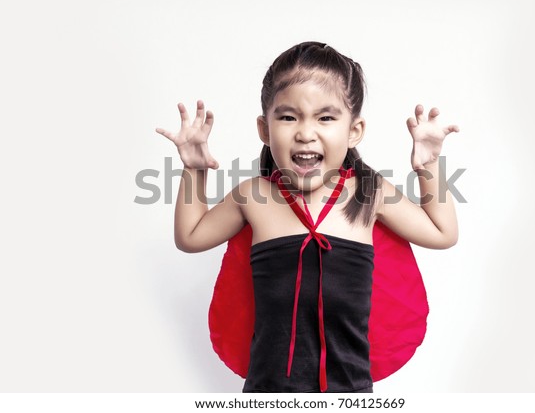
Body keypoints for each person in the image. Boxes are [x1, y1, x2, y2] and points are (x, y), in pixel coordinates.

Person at [155, 41, 459, 393]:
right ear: (265, 130)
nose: (305, 132)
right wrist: (193, 169)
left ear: (353, 130)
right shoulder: (254, 196)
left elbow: (442, 232)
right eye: (288, 117)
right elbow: (190, 237)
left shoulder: (369, 192)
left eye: (326, 117)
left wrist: (430, 165)